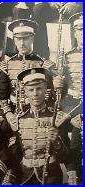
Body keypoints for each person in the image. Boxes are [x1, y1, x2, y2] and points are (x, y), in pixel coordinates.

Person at [0, 19, 63, 130]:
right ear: (14, 40)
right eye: (18, 39)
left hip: (39, 113)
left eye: (25, 38)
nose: (22, 43)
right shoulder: (6, 65)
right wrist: (8, 115)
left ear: (32, 38)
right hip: (13, 111)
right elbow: (0, 95)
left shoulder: (44, 65)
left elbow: (52, 94)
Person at [7, 67, 71, 184]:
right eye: (31, 90)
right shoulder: (19, 119)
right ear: (25, 92)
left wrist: (57, 141)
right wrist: (11, 175)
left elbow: (66, 156)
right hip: (24, 175)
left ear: (46, 88)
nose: (35, 94)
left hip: (51, 176)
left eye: (39, 89)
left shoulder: (57, 118)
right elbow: (14, 155)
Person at [62, 12, 83, 184]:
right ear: (75, 32)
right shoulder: (68, 57)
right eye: (79, 29)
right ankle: (73, 173)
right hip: (75, 108)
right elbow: (62, 95)